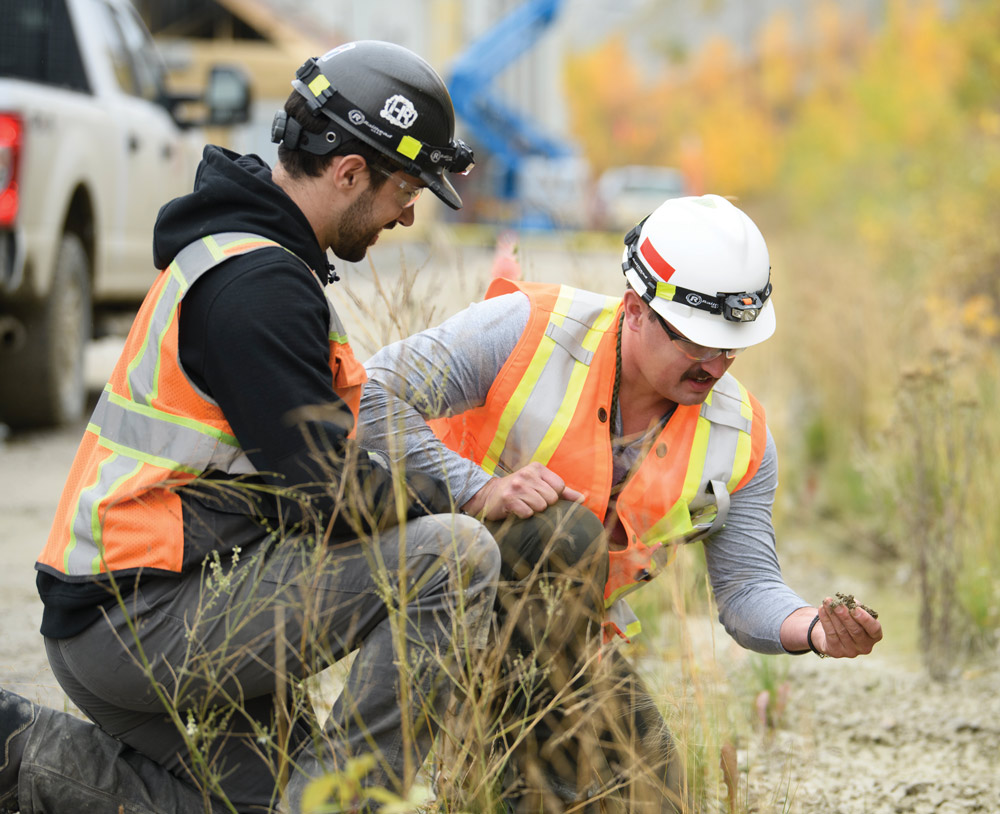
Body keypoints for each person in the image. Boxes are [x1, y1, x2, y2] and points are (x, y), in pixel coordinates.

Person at [0, 40, 501, 814]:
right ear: (349, 173)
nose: (408, 213)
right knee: (454, 557)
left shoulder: (246, 258)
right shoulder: (258, 286)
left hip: (125, 610)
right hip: (141, 619)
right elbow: (330, 498)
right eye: (407, 188)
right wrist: (467, 500)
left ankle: (25, 756)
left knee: (265, 800)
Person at [359, 193, 884, 811]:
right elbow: (371, 396)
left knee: (664, 801)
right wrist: (479, 488)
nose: (716, 363)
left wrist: (815, 630)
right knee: (560, 533)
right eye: (697, 341)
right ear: (635, 308)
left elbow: (745, 591)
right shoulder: (528, 330)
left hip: (564, 643)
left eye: (732, 345)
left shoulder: (742, 438)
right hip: (432, 596)